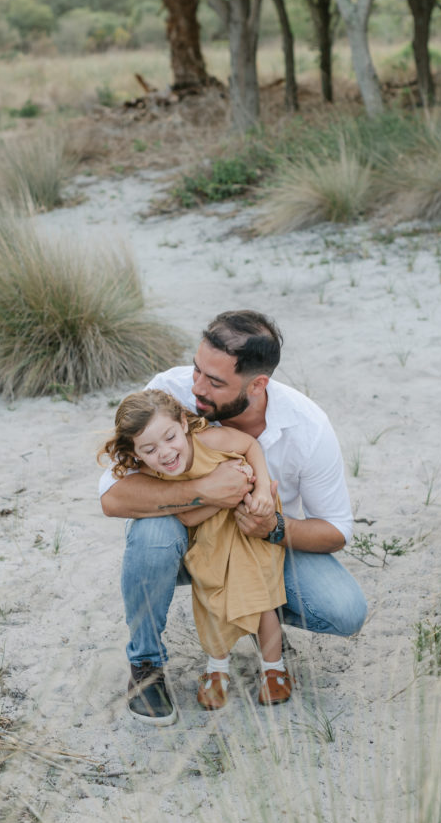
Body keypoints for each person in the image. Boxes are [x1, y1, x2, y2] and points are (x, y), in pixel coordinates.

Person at [100, 310, 368, 725]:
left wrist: (273, 527)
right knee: (152, 533)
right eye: (197, 369)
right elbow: (114, 498)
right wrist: (202, 492)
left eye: (215, 382)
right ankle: (146, 666)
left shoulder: (308, 427)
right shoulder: (168, 396)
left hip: (259, 542)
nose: (196, 387)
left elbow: (336, 531)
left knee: (344, 610)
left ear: (258, 384)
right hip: (188, 543)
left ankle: (258, 619)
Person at [98, 389, 290, 712]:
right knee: (212, 601)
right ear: (136, 454)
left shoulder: (209, 441)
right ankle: (217, 671)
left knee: (260, 600)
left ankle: (275, 670)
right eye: (149, 449)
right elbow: (186, 515)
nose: (165, 452)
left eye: (170, 437)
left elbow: (250, 445)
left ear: (184, 423)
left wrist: (261, 490)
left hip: (244, 525)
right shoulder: (152, 475)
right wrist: (218, 496)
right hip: (210, 537)